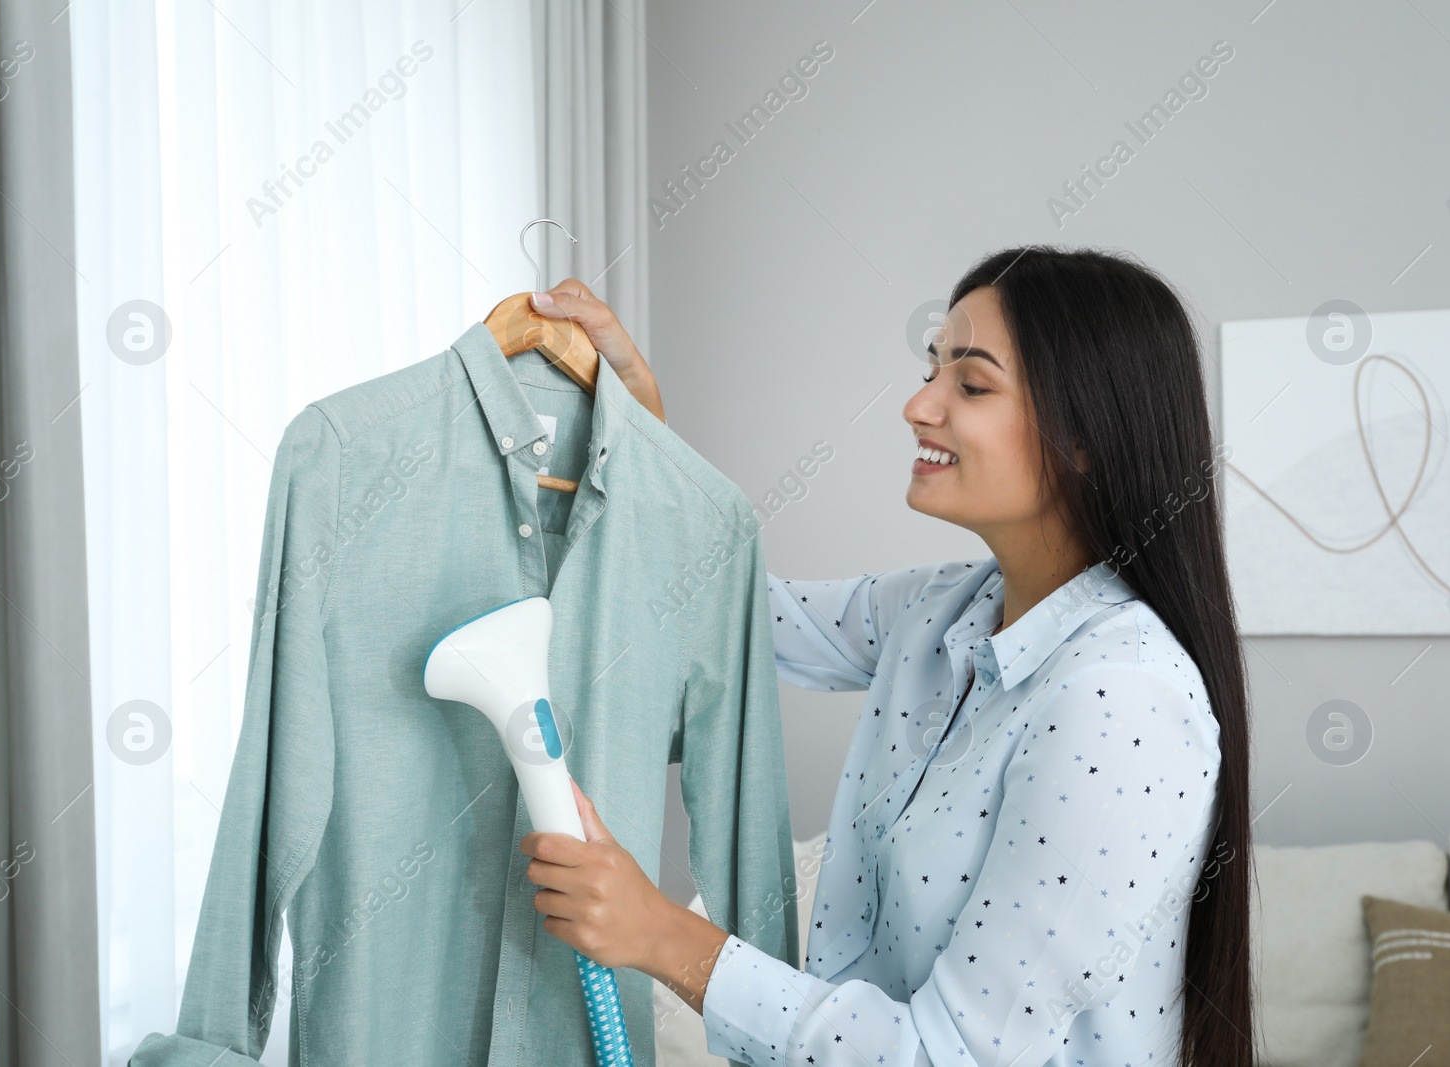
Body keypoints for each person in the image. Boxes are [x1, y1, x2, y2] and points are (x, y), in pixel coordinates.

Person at [517, 245, 1254, 1067]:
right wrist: (642, 429)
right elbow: (726, 612)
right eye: (931, 368)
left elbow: (950, 1057)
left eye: (970, 384)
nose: (918, 404)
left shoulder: (1121, 703)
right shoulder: (944, 610)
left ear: (1086, 437)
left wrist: (661, 934)